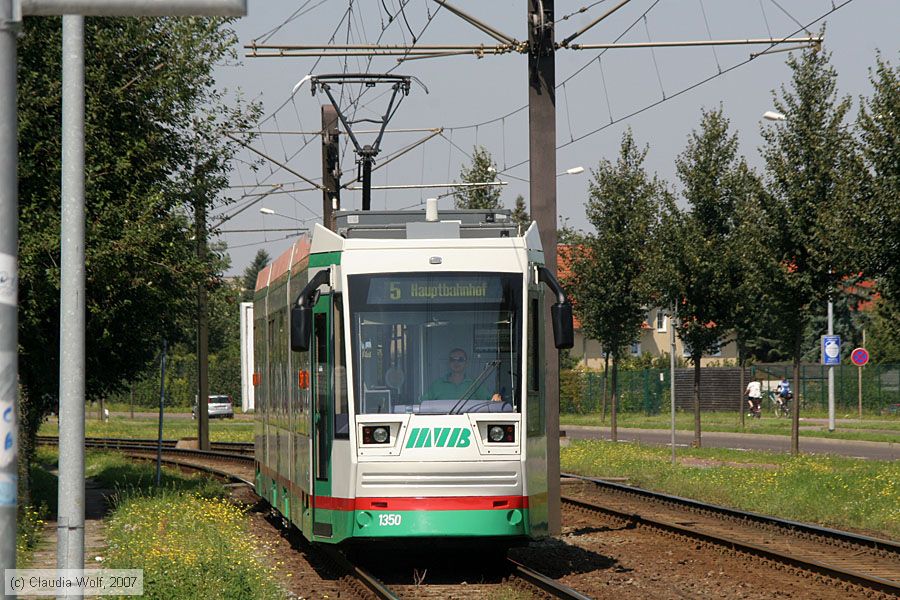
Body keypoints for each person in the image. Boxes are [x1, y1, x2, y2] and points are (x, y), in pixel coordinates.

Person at [423, 348, 502, 402]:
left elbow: (490, 401)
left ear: (466, 363)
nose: (456, 362)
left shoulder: (475, 384)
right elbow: (422, 404)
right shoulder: (437, 384)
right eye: (453, 359)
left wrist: (495, 399)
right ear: (448, 363)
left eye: (460, 360)